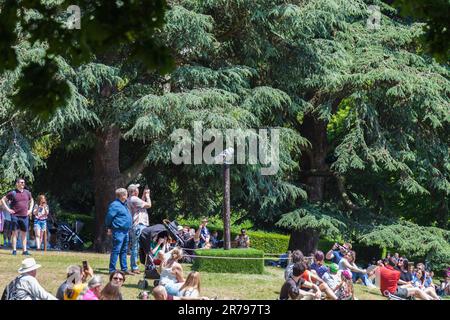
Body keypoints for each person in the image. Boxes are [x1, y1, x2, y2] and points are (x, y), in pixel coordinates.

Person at [1, 178, 34, 255]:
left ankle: (24, 251)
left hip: (24, 216)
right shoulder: (13, 193)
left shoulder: (27, 193)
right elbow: (3, 200)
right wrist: (8, 209)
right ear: (17, 184)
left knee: (24, 233)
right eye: (21, 182)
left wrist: (30, 210)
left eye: (23, 182)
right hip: (15, 216)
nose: (23, 184)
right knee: (14, 233)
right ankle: (14, 250)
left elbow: (32, 200)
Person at [105, 188, 134, 275]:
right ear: (122, 196)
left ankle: (124, 269)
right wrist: (109, 227)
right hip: (118, 231)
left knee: (124, 250)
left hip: (125, 231)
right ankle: (112, 270)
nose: (127, 195)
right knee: (116, 250)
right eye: (126, 194)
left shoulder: (124, 204)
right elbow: (109, 217)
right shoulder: (115, 205)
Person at [127, 184, 152, 274]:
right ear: (134, 191)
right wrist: (148, 196)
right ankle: (135, 267)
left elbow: (141, 203)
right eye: (137, 189)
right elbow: (149, 205)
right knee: (136, 247)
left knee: (136, 247)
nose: (138, 189)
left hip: (136, 225)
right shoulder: (134, 199)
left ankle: (135, 266)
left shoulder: (131, 199)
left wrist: (144, 196)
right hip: (139, 224)